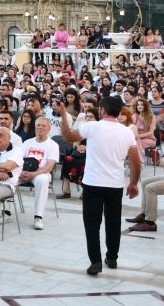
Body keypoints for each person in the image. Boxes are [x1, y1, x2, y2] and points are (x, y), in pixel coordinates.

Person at [56, 95, 141, 275]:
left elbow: (68, 135)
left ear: (102, 110)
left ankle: (95, 261)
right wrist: (133, 183)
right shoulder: (127, 131)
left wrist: (64, 114)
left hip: (93, 182)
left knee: (92, 223)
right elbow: (135, 161)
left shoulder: (93, 127)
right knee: (113, 222)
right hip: (115, 183)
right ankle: (112, 258)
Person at [127, 114, 164, 232]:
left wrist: (163, 161)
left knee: (150, 188)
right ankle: (144, 215)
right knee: (144, 182)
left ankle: (150, 222)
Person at [18, 117, 59, 230]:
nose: (40, 128)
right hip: (24, 172)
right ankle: (4, 210)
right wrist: (20, 172)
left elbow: (50, 166)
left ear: (49, 129)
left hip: (41, 173)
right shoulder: (27, 142)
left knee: (42, 180)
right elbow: (18, 160)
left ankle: (38, 216)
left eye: (43, 126)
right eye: (38, 126)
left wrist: (34, 174)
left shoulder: (53, 145)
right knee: (8, 177)